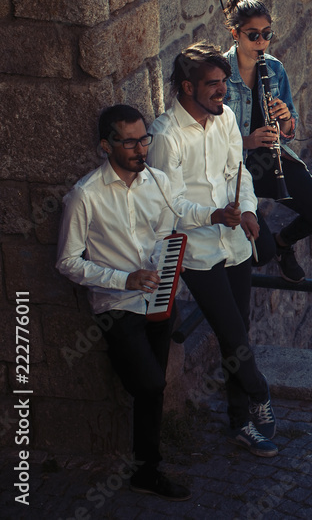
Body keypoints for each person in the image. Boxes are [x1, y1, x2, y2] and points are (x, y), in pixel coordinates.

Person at [147, 41, 278, 458]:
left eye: (224, 82)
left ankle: (240, 423)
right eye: (212, 84)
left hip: (235, 241)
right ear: (187, 87)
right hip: (198, 249)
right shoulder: (165, 136)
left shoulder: (225, 120)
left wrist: (251, 212)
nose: (221, 91)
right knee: (232, 331)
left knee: (236, 330)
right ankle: (260, 390)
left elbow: (238, 174)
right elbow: (167, 203)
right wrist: (212, 215)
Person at [56, 105, 191, 501]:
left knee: (153, 389)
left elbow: (168, 232)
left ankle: (146, 471)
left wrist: (163, 268)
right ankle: (145, 466)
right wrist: (123, 279)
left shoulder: (160, 182)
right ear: (106, 145)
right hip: (117, 305)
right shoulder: (84, 195)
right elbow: (66, 261)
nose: (140, 149)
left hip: (160, 298)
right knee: (149, 383)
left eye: (143, 139)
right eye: (129, 141)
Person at [221, 0, 312, 282]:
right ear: (235, 34)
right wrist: (248, 141)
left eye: (267, 34)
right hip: (235, 168)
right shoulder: (218, 74)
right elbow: (210, 139)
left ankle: (283, 243)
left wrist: (286, 120)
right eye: (253, 35)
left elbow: (289, 129)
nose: (261, 41)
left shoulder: (274, 69)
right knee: (257, 256)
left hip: (272, 159)